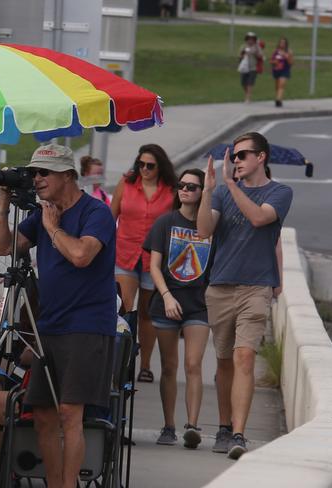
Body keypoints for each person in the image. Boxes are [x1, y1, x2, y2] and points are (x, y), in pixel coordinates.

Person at [0, 143, 116, 488]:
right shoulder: (44, 213)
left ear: (68, 175)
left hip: (87, 325)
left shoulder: (96, 213)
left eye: (44, 173)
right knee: (44, 415)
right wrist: (3, 204)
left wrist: (53, 229)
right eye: (33, 173)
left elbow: (81, 256)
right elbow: (3, 247)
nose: (37, 179)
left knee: (68, 413)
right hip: (50, 325)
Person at [197, 132, 292, 460]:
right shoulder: (222, 192)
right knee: (224, 361)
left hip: (256, 286)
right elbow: (204, 231)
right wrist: (209, 192)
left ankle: (239, 432)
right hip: (221, 285)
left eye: (242, 155)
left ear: (261, 157)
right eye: (233, 156)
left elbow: (259, 218)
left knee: (244, 357)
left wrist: (231, 185)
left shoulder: (279, 192)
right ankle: (223, 426)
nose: (235, 161)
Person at [144, 168, 212, 449]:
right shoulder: (165, 223)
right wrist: (167, 296)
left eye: (192, 187)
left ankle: (192, 426)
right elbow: (154, 267)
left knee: (193, 364)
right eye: (181, 185)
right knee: (169, 367)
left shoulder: (210, 226)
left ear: (202, 193)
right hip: (166, 303)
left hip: (199, 305)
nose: (184, 190)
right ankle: (169, 425)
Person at [111, 144, 176, 383]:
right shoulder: (126, 184)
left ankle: (145, 365)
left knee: (148, 314)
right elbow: (111, 216)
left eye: (150, 165)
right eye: (141, 164)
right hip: (125, 253)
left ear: (160, 167)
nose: (145, 169)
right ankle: (123, 362)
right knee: (125, 308)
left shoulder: (170, 191)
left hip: (155, 259)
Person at [238, 32, 264, 103]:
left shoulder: (257, 47)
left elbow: (260, 56)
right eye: (249, 39)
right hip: (244, 67)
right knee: (243, 83)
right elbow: (239, 56)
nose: (250, 41)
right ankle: (247, 94)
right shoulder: (243, 46)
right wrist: (242, 55)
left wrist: (255, 53)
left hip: (253, 68)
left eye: (252, 39)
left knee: (250, 83)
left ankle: (248, 98)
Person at [270, 36, 293, 108]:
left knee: (281, 84)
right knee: (277, 86)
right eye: (281, 42)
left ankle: (278, 100)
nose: (282, 44)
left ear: (286, 44)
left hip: (285, 70)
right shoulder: (276, 51)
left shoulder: (289, 51)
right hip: (277, 70)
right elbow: (271, 61)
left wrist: (287, 57)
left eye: (284, 43)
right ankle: (279, 99)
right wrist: (274, 62)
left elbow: (291, 63)